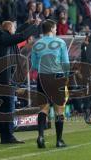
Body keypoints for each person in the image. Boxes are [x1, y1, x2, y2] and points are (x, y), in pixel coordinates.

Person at [0, 20, 39, 144]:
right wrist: (35, 26)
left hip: (2, 79)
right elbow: (21, 36)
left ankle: (5, 137)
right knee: (9, 109)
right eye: (13, 27)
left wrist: (27, 24)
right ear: (9, 28)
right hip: (5, 80)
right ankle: (9, 136)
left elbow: (18, 32)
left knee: (4, 109)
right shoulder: (4, 38)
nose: (15, 29)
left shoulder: (4, 38)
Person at [31, 19, 70, 148]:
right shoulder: (60, 42)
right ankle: (59, 140)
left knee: (43, 108)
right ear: (53, 28)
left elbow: (34, 65)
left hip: (42, 77)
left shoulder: (37, 44)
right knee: (59, 109)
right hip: (57, 77)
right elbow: (65, 63)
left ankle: (41, 136)